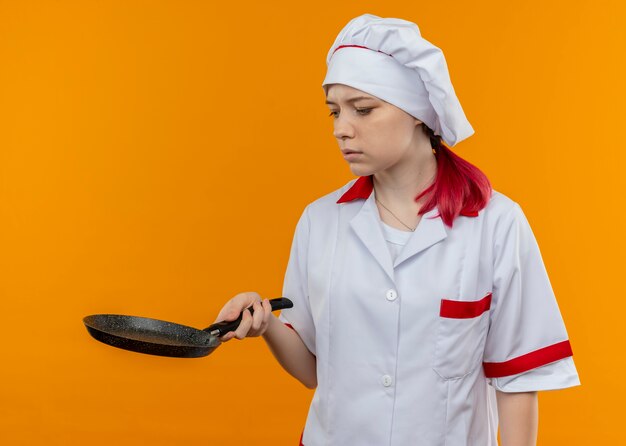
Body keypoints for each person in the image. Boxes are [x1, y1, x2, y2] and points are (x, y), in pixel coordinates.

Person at [213, 13, 580, 446]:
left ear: (416, 111)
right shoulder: (320, 221)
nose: (340, 129)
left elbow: (516, 377)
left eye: (363, 109)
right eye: (334, 111)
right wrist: (267, 326)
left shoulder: (496, 225)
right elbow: (314, 372)